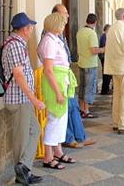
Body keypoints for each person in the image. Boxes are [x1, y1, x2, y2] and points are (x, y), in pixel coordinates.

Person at [2, 12, 45, 185]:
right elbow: (19, 76)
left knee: (34, 131)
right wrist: (34, 99)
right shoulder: (16, 46)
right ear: (24, 29)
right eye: (30, 27)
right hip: (19, 99)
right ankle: (22, 173)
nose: (32, 30)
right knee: (22, 139)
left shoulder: (17, 43)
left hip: (22, 99)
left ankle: (24, 167)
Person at [50, 4, 94, 149]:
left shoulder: (60, 34)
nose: (68, 15)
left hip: (66, 76)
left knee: (74, 107)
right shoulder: (50, 35)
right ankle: (68, 138)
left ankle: (80, 136)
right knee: (66, 110)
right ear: (56, 15)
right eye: (65, 13)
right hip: (59, 78)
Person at [39, 13, 77, 169]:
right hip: (55, 83)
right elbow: (48, 70)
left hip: (61, 80)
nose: (64, 26)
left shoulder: (54, 39)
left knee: (61, 119)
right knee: (54, 119)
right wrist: (58, 92)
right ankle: (48, 157)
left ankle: (58, 152)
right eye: (62, 24)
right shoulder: (49, 41)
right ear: (55, 25)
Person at [76, 13, 104, 118]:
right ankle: (86, 111)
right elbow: (93, 50)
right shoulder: (92, 33)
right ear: (95, 22)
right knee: (89, 88)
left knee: (82, 87)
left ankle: (81, 108)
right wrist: (104, 49)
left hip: (81, 62)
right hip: (90, 64)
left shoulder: (80, 31)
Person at [99, 24, 112, 95]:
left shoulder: (106, 36)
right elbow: (105, 46)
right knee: (106, 74)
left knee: (108, 74)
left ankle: (106, 89)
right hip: (105, 58)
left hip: (107, 57)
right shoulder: (104, 36)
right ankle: (104, 90)